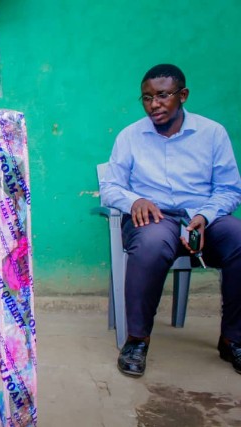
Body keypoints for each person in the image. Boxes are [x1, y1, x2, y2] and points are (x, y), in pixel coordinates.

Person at [100, 64, 241, 377]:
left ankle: (233, 338)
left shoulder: (212, 133)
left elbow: (230, 190)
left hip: (202, 217)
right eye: (147, 98)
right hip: (155, 218)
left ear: (183, 95)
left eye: (162, 95)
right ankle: (137, 340)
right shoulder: (130, 136)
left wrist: (204, 215)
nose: (154, 104)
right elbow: (110, 188)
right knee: (150, 243)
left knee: (239, 238)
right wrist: (134, 201)